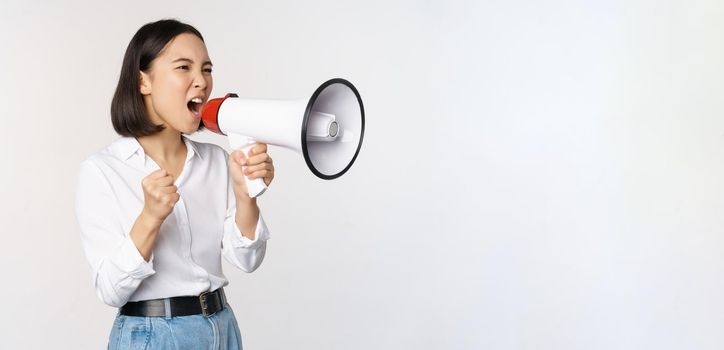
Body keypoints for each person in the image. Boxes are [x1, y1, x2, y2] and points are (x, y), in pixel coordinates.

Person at [75, 19, 274, 349]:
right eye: (184, 67)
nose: (202, 82)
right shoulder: (102, 171)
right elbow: (110, 290)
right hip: (151, 335)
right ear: (144, 81)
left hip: (222, 328)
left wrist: (246, 196)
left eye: (207, 70)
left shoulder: (215, 161)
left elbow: (248, 261)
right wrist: (150, 218)